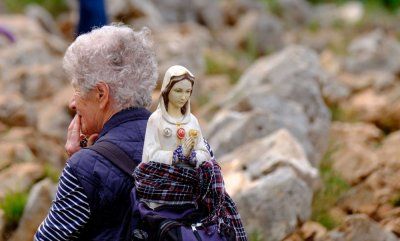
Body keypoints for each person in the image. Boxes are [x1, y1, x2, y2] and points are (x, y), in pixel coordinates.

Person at [34, 24, 158, 241]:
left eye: (78, 89)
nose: (72, 102)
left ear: (101, 94)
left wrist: (80, 165)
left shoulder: (86, 168)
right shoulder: (188, 143)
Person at [134, 65, 248, 240]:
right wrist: (176, 155)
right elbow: (150, 156)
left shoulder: (192, 121)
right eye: (178, 91)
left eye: (188, 91)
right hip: (161, 191)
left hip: (189, 193)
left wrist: (192, 155)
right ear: (166, 90)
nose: (183, 96)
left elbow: (204, 152)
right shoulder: (155, 120)